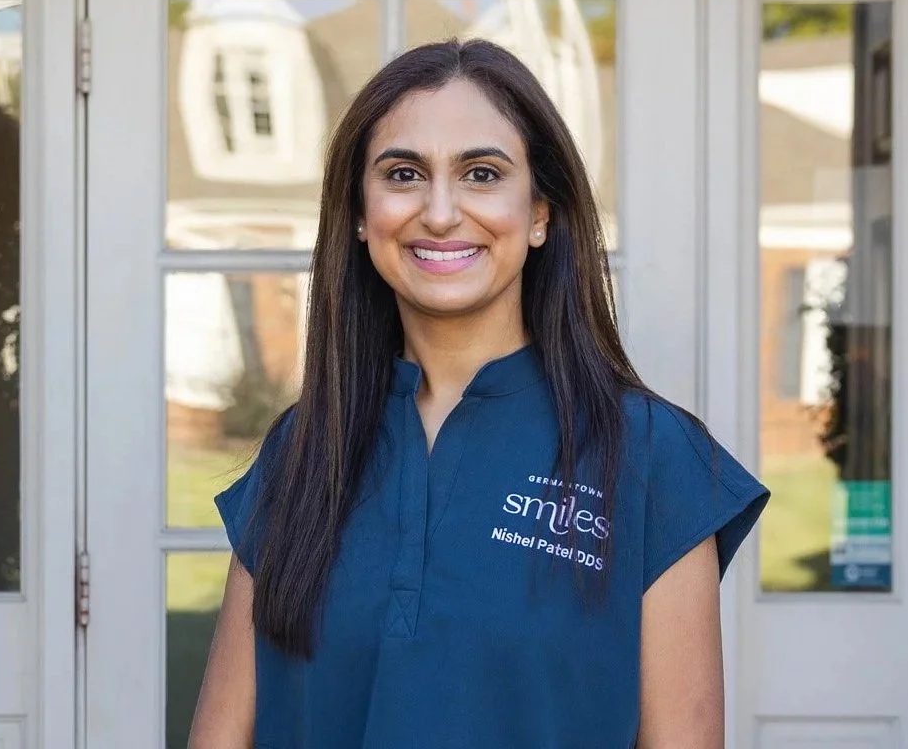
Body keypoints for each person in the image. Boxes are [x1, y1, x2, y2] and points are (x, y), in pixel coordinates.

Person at [188, 38, 769, 749]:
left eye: (482, 174)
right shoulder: (303, 450)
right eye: (404, 174)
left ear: (540, 213)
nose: (440, 213)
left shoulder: (653, 458)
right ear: (361, 215)